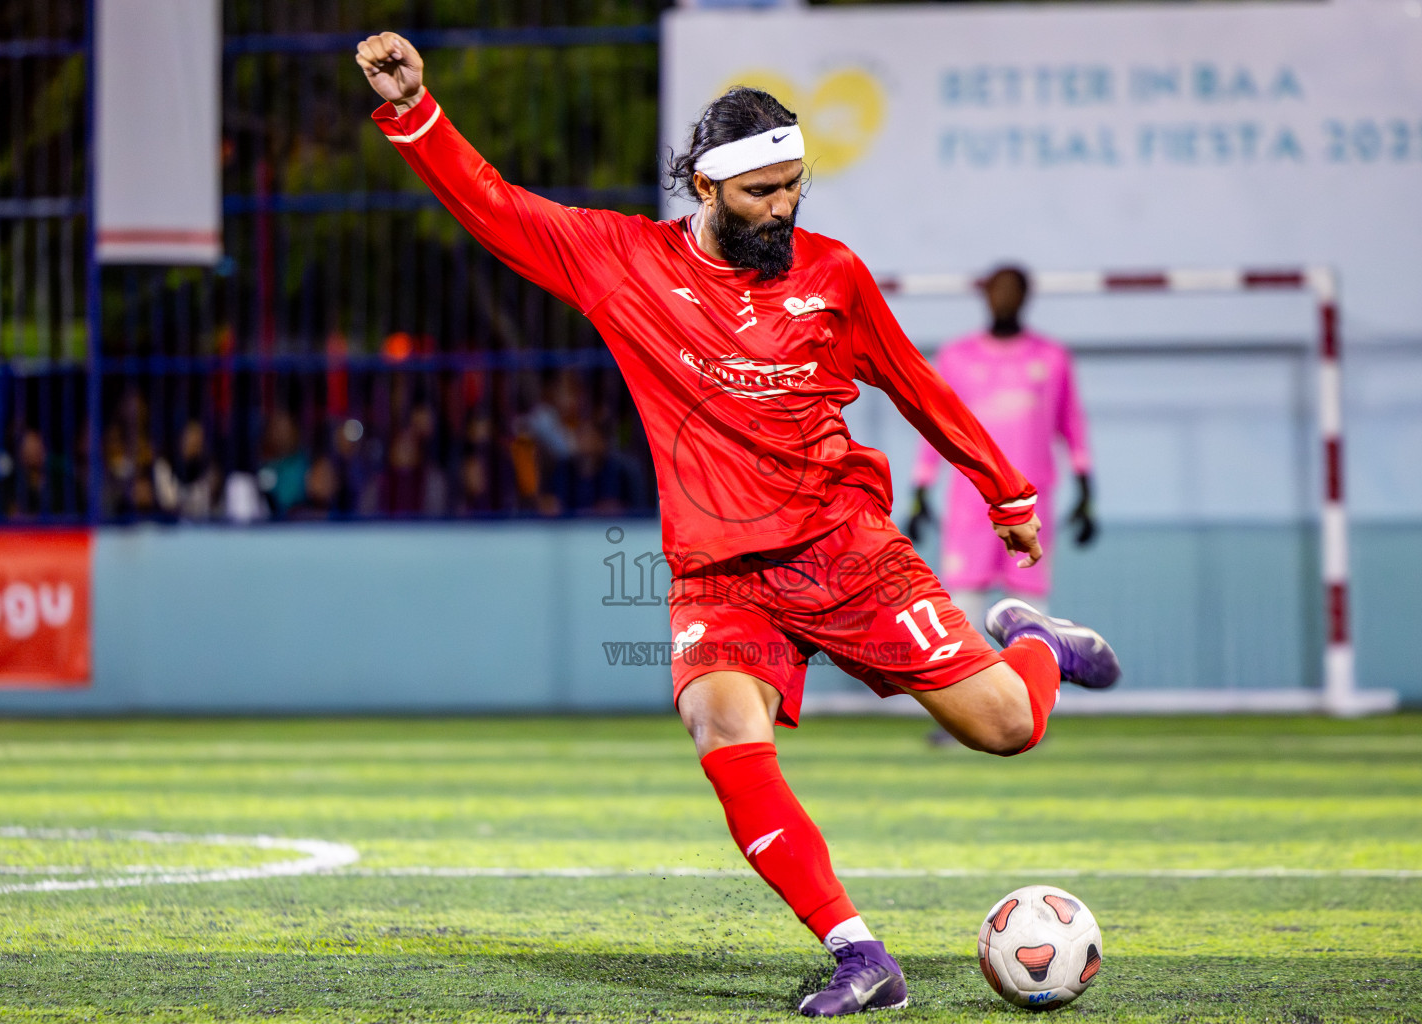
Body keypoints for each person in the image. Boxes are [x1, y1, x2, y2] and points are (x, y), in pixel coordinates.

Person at [356, 33, 1120, 1017]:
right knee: (720, 723)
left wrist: (1006, 493)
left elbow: (915, 382)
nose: (784, 207)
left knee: (1007, 728)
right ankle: (858, 954)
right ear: (708, 186)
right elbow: (497, 207)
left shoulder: (831, 274)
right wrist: (417, 113)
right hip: (720, 572)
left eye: (795, 185)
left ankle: (1032, 645)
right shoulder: (625, 262)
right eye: (764, 192)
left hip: (841, 547)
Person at [908, 266, 1096, 627]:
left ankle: (1033, 681)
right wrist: (920, 488)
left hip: (1030, 501)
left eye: (1013, 290)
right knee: (962, 611)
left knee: (1030, 613)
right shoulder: (957, 357)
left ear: (1026, 297)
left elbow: (1072, 425)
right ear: (985, 295)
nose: (1005, 298)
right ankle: (966, 683)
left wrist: (1087, 489)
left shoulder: (1052, 358)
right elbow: (935, 425)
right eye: (998, 289)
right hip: (970, 501)